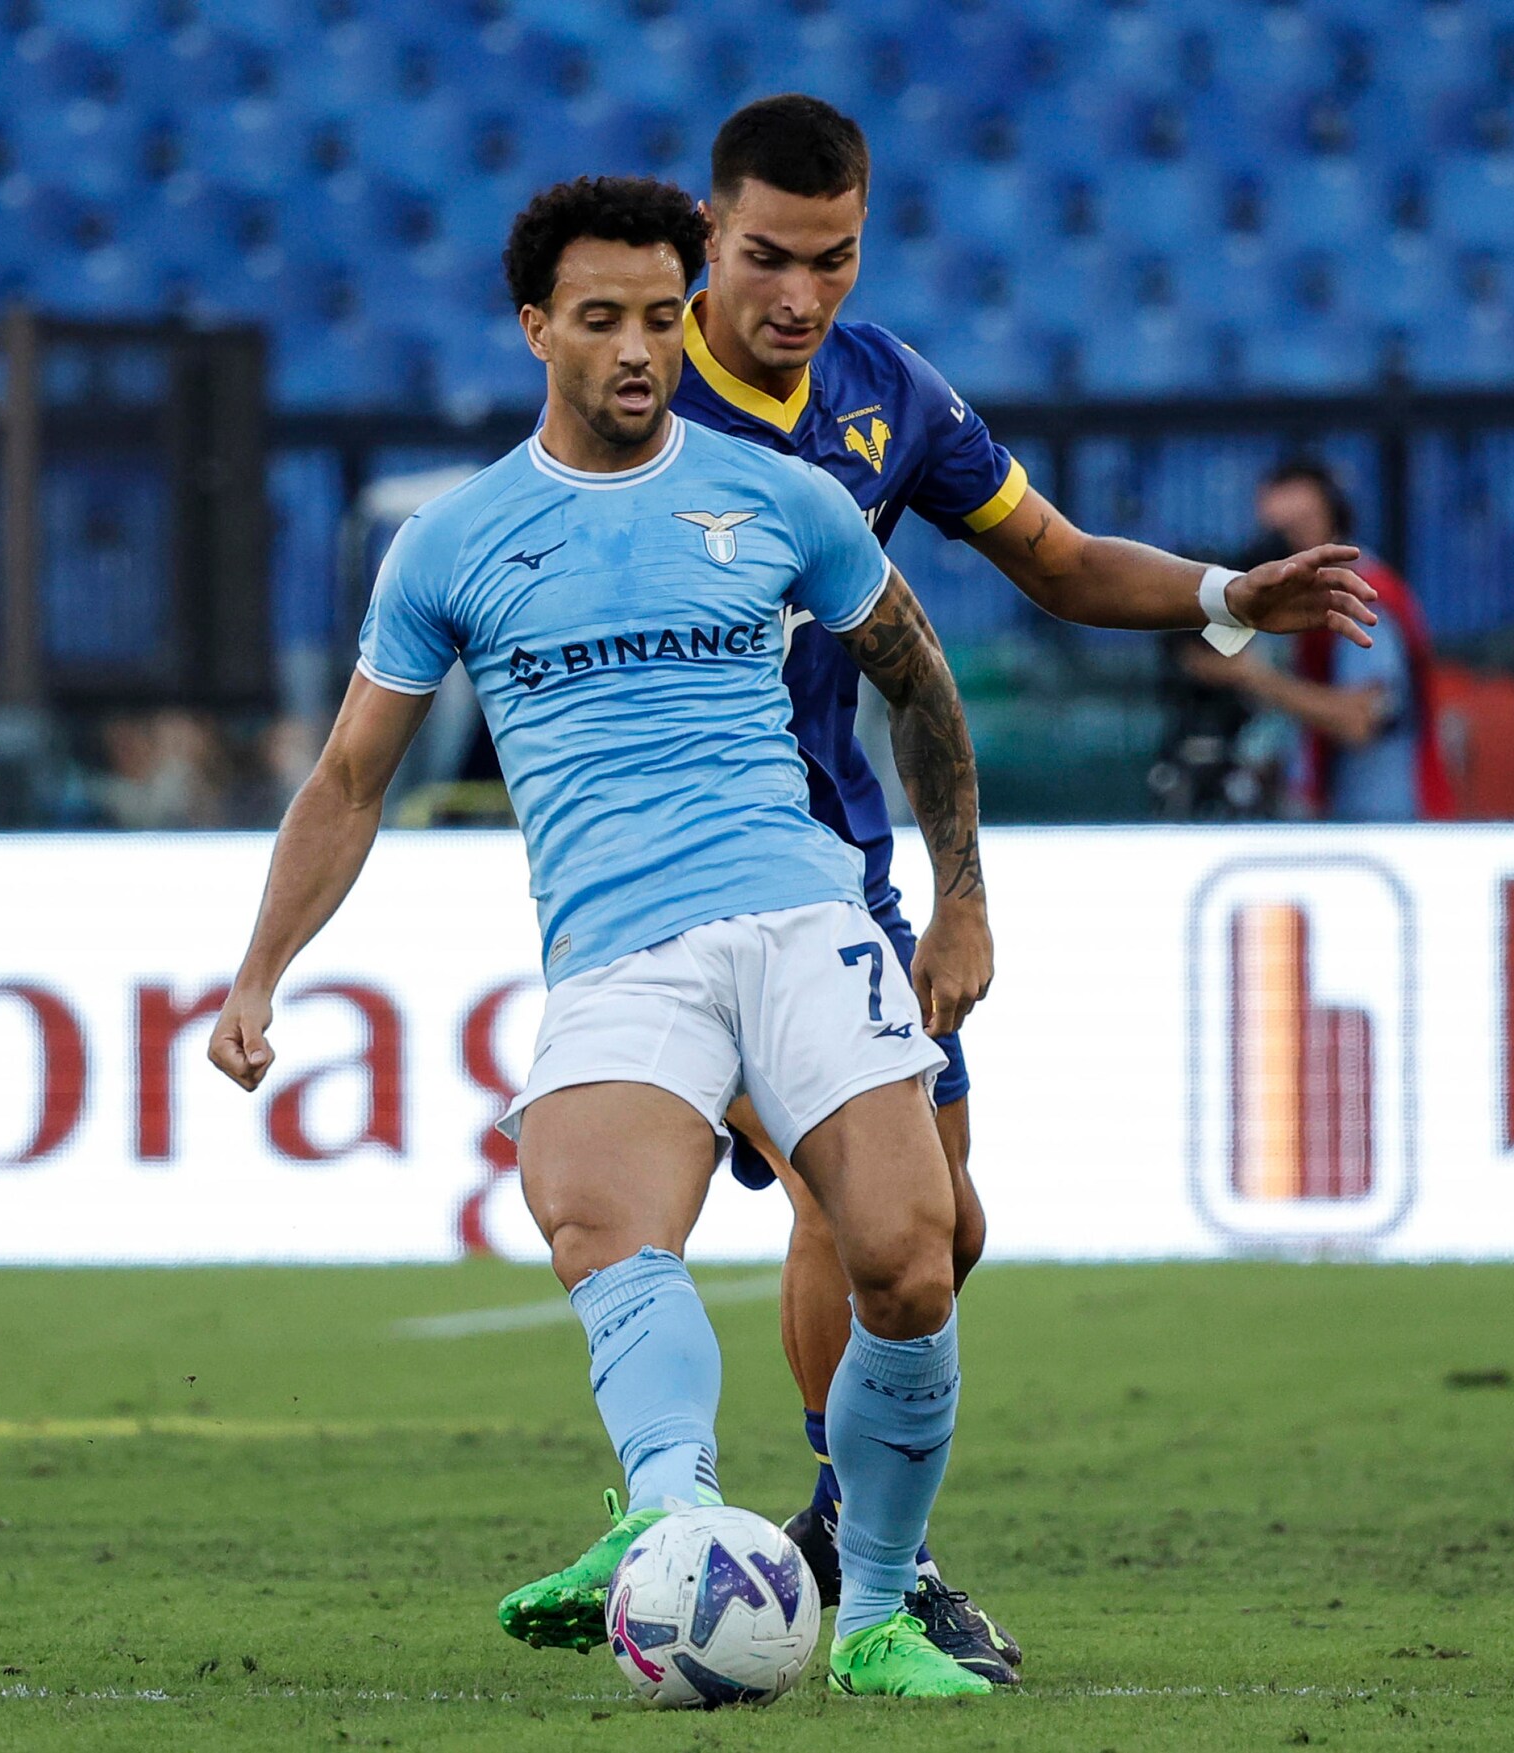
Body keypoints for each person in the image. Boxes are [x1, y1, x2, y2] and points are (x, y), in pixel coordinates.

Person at [207, 176, 1001, 1700]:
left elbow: (919, 677)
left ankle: (879, 1614)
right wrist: (260, 972)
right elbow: (352, 779)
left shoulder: (786, 499)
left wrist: (959, 892)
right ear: (535, 329)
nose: (639, 350)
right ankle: (667, 1521)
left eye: (658, 317)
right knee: (600, 1228)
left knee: (914, 1261)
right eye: (600, 320)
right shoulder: (453, 542)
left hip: (800, 915)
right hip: (621, 951)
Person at [671, 94, 1382, 1678]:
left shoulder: (884, 390)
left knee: (947, 1229)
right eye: (770, 257)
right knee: (856, 1212)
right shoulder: (642, 402)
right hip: (697, 883)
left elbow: (1056, 559)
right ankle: (875, 1561)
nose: (802, 296)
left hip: (849, 874)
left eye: (836, 259)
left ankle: (832, 1530)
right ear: (708, 235)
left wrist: (1226, 594)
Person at [1185, 458, 1453, 822]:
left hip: (1385, 820)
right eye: (1275, 532)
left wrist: (1250, 676)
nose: (1286, 544)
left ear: (1334, 521)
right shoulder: (1300, 604)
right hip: (1337, 819)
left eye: (1299, 527)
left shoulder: (1363, 596)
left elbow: (1358, 720)